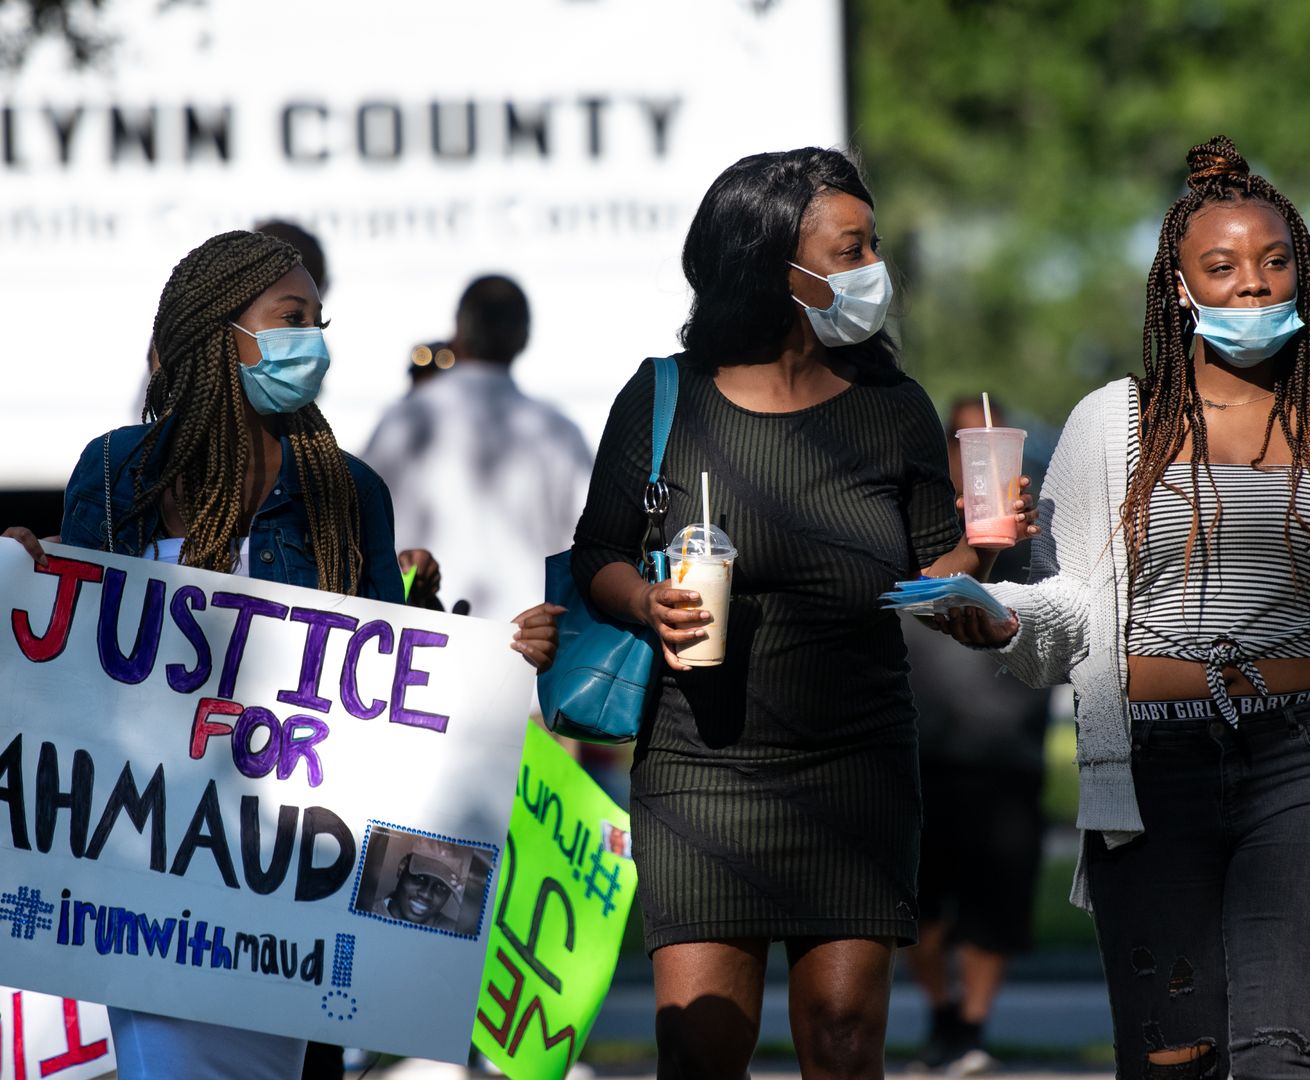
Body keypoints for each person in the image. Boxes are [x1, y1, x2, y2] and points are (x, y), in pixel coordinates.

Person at [935, 137, 1310, 1078]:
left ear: (1303, 274)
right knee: (1172, 1061)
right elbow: (1078, 609)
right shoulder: (1113, 424)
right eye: (1221, 267)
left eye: (1273, 262)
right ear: (1181, 290)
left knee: (1278, 1061)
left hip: (1303, 770)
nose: (1252, 285)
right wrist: (1007, 619)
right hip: (1151, 770)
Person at [4, 230, 561, 1079]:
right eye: (290, 318)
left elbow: (380, 687)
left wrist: (486, 656)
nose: (314, 342)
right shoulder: (119, 474)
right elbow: (71, 672)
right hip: (151, 874)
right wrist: (31, 583)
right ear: (216, 333)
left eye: (317, 319)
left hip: (299, 883)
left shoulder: (347, 491)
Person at [570, 147, 1035, 1079]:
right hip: (702, 763)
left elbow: (927, 563)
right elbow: (598, 556)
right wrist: (644, 600)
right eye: (849, 247)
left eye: (872, 245)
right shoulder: (666, 397)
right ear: (773, 267)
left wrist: (978, 562)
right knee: (700, 1042)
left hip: (856, 764)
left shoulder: (892, 408)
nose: (872, 269)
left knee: (843, 1036)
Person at [903, 396, 1052, 1077]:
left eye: (997, 442)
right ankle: (941, 1016)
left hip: (1007, 754)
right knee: (921, 906)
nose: (983, 453)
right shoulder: (916, 519)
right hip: (920, 749)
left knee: (995, 909)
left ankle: (970, 1027)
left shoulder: (1041, 531)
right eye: (970, 441)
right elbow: (911, 595)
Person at [362, 274, 593, 622]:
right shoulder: (560, 432)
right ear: (523, 338)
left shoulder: (405, 418)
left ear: (458, 329)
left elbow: (358, 527)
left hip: (418, 638)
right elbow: (585, 545)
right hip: (525, 644)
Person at [367, 847, 466, 932]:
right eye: (420, 878)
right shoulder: (365, 913)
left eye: (441, 887)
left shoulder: (454, 932)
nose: (426, 894)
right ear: (402, 869)